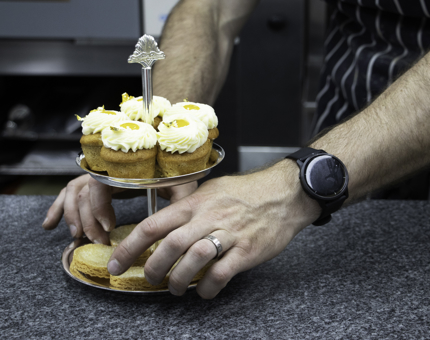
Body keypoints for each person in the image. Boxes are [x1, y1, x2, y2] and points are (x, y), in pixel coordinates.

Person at [43, 0, 430, 299]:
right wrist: (160, 138)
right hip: (345, 121)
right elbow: (209, 9)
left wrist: (298, 186)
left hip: (331, 167)